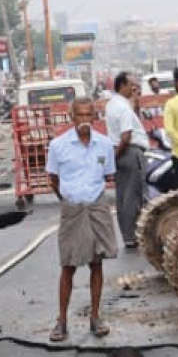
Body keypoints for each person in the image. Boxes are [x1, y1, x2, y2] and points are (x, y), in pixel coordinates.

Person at [47, 97, 119, 342]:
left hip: (97, 206)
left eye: (89, 115)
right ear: (72, 117)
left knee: (96, 263)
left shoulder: (105, 144)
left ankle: (95, 317)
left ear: (94, 117)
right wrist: (67, 199)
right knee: (68, 265)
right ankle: (62, 321)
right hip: (72, 208)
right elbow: (53, 179)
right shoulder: (58, 146)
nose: (85, 120)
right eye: (80, 115)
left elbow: (108, 175)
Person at [105, 72, 150, 249]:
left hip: (121, 153)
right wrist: (115, 156)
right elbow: (126, 136)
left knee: (124, 195)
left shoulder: (115, 104)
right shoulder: (122, 107)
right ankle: (133, 235)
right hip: (130, 152)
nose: (135, 88)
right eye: (132, 84)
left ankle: (128, 235)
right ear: (122, 85)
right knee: (134, 196)